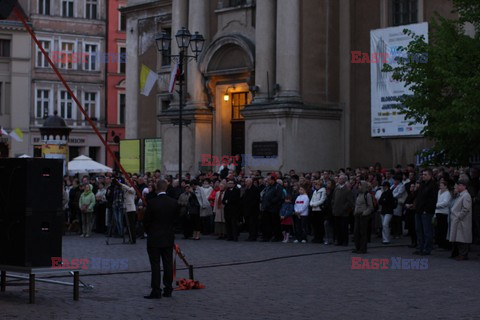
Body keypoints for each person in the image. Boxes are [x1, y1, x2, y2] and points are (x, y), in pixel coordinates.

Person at [143, 179, 179, 299]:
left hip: (154, 237)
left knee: (155, 265)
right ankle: (168, 289)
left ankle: (156, 290)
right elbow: (176, 220)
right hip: (168, 237)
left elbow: (146, 221)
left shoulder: (152, 203)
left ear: (157, 188)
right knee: (168, 263)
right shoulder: (173, 202)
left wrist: (149, 231)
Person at [414, 169, 438, 256]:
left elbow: (432, 200)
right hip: (419, 210)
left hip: (426, 212)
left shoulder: (433, 186)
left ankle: (427, 248)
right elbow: (418, 197)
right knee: (419, 230)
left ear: (430, 175)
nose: (423, 176)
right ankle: (421, 247)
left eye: (425, 174)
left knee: (427, 231)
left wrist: (426, 210)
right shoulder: (422, 185)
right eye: (422, 174)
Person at [448, 179, 472, 261]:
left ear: (464, 186)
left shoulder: (466, 195)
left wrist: (459, 216)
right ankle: (460, 253)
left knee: (462, 238)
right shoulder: (460, 195)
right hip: (458, 219)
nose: (457, 186)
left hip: (461, 220)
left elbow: (466, 208)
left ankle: (463, 254)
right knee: (458, 238)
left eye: (459, 185)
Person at [352, 181, 374, 253]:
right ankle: (357, 247)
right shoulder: (359, 194)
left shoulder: (367, 195)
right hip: (357, 215)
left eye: (360, 185)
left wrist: (364, 213)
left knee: (363, 233)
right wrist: (355, 212)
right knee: (356, 232)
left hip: (363, 216)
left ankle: (363, 248)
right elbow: (357, 204)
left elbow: (371, 207)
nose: (359, 187)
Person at [332, 175, 354, 246]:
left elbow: (350, 201)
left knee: (344, 228)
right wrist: (333, 206)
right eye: (339, 178)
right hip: (336, 211)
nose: (339, 180)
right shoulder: (336, 188)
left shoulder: (347, 189)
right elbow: (333, 198)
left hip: (344, 212)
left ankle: (345, 241)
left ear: (344, 180)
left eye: (341, 179)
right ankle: (339, 241)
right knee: (337, 227)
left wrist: (344, 208)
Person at [435, 179, 452, 250]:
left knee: (443, 229)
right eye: (440, 185)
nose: (440, 186)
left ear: (445, 186)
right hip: (438, 212)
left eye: (442, 185)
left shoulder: (447, 193)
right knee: (438, 229)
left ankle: (445, 245)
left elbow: (446, 203)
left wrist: (436, 205)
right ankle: (440, 243)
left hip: (444, 213)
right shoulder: (439, 191)